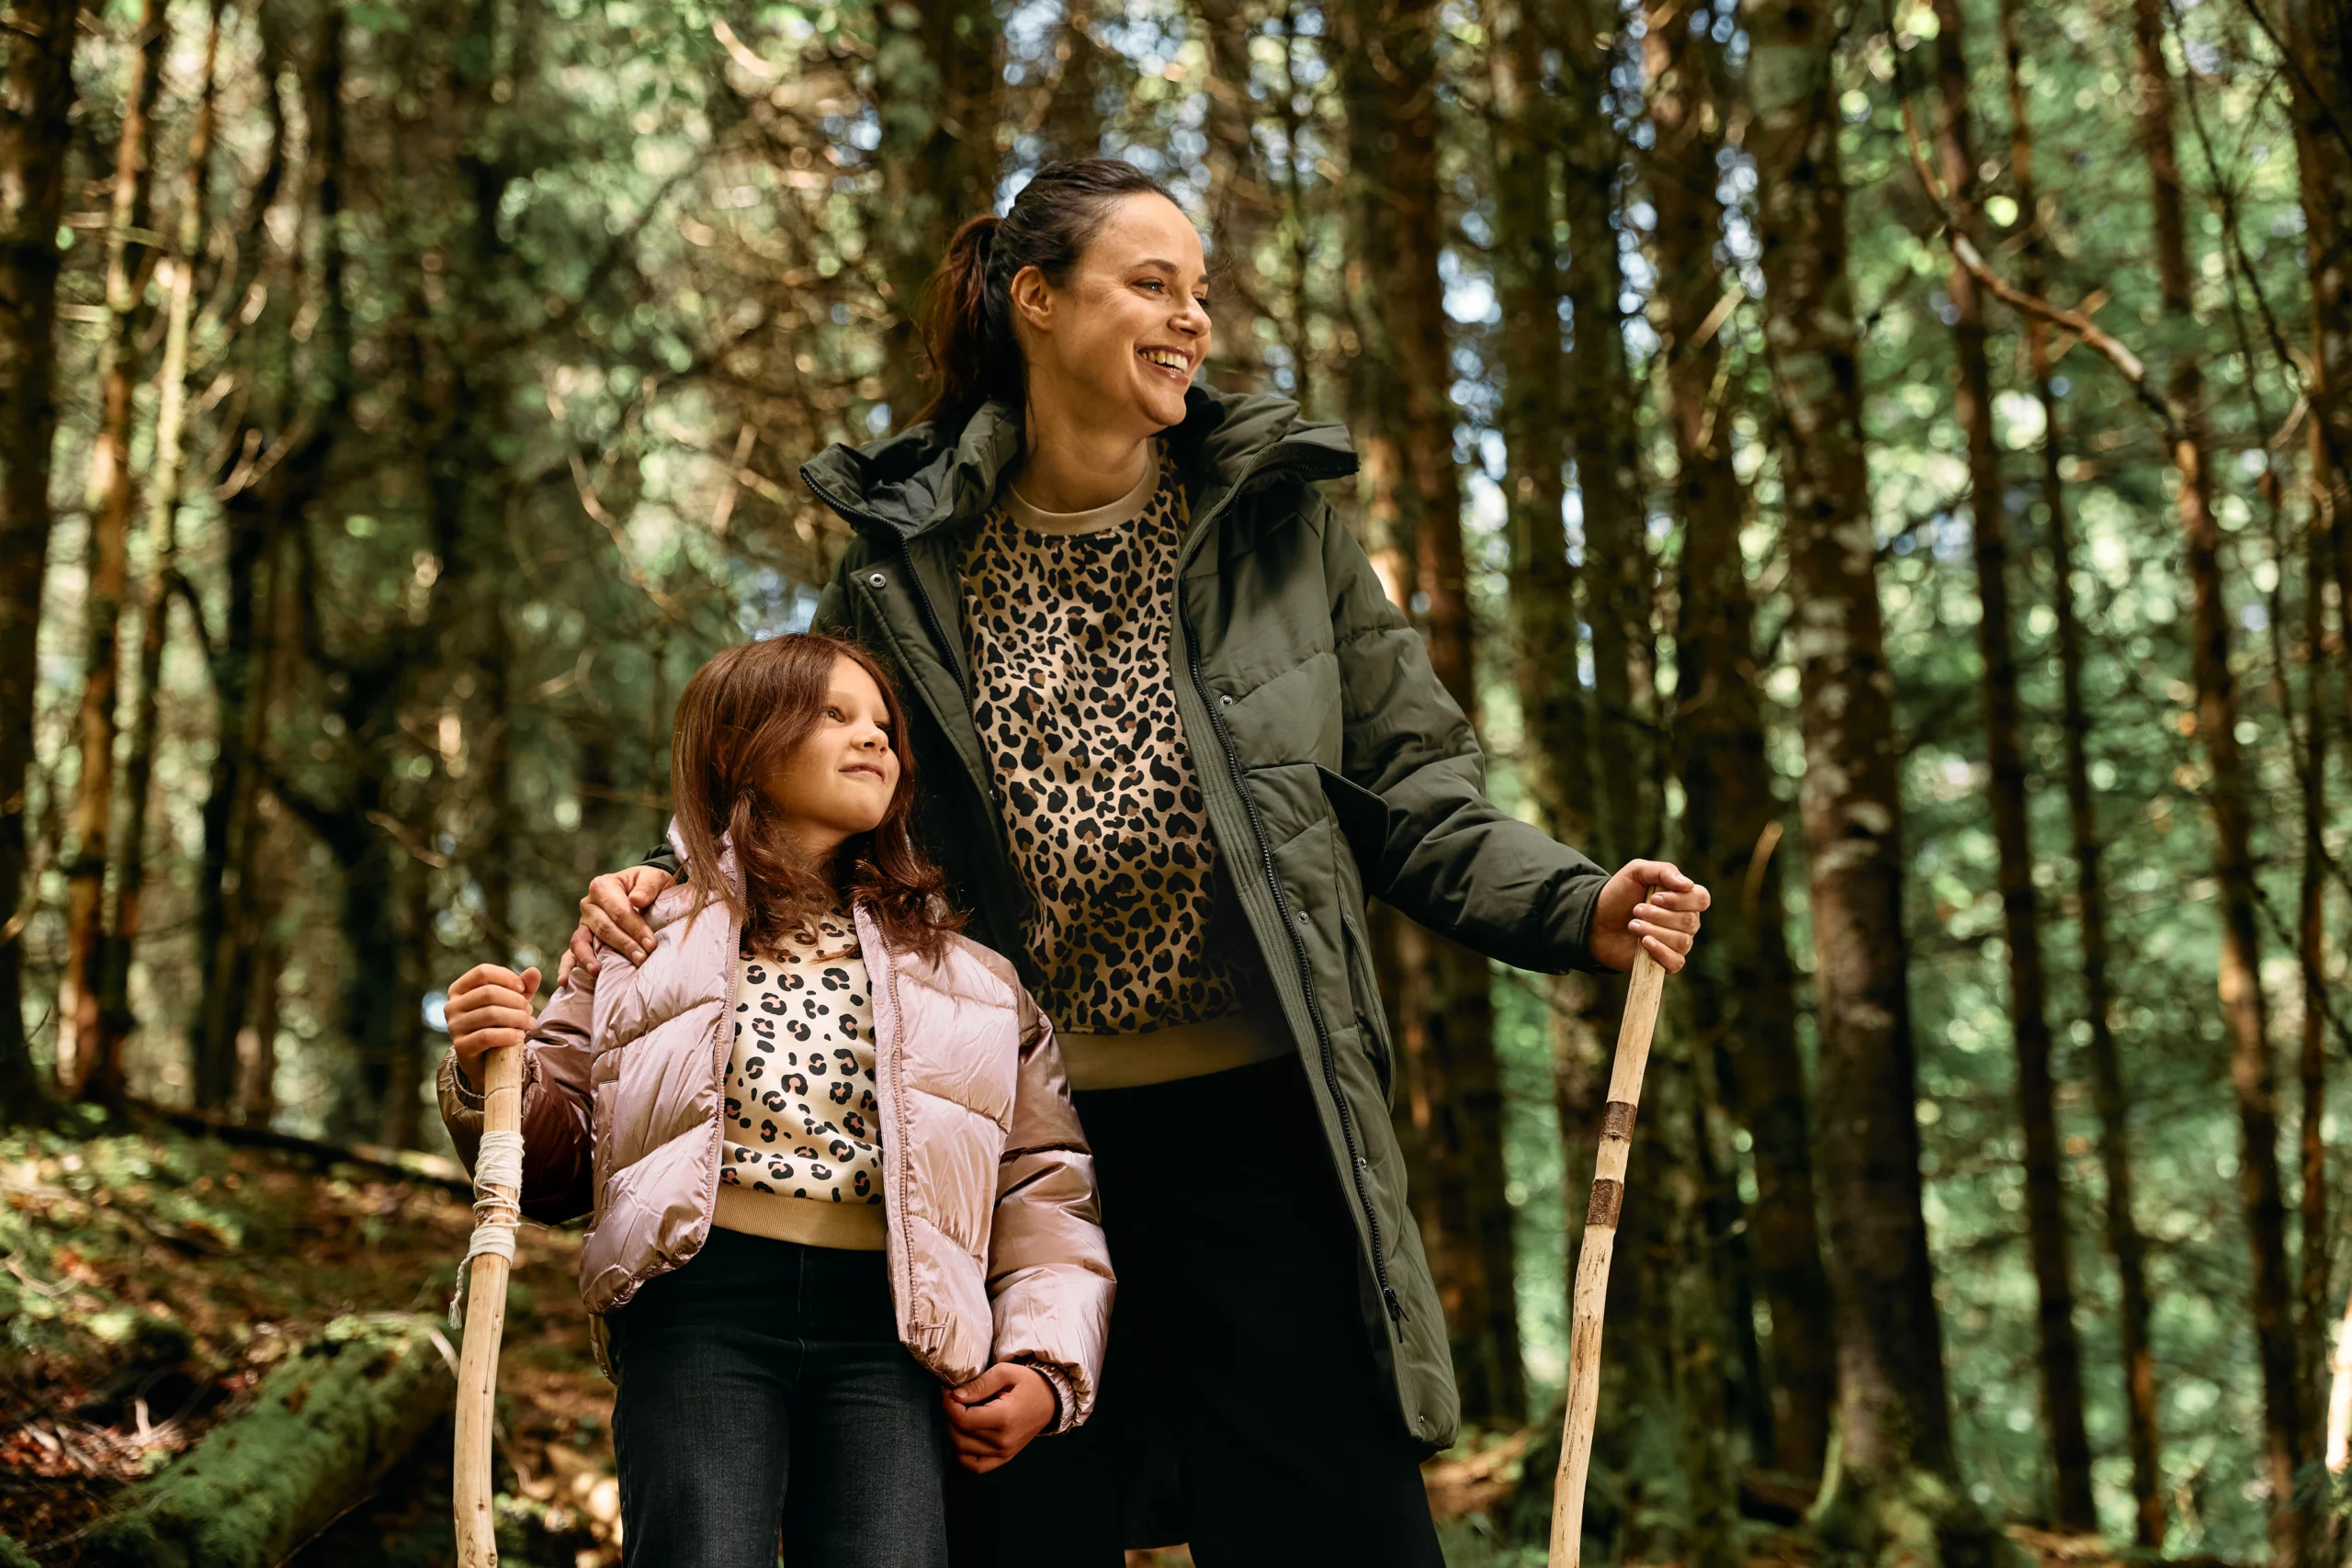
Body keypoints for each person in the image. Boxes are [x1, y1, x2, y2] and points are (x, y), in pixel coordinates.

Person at [522, 157, 1710, 1564]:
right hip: (1011, 1150)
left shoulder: (1285, 536)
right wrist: (669, 884)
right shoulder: (907, 570)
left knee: (1334, 1525)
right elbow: (815, 793)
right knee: (1019, 1525)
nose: (1191, 318)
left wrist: (1578, 903)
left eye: (1200, 292)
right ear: (1036, 301)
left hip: (1272, 1133)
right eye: (1152, 283)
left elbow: (1419, 799)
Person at [437, 634, 1112, 1568]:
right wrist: (485, 1070)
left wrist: (1045, 1361)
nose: (874, 737)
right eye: (835, 715)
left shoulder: (974, 982)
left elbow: (1045, 1186)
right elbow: (555, 1167)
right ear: (740, 747)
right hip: (699, 1307)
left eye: (882, 723)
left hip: (893, 1331)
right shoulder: (637, 941)